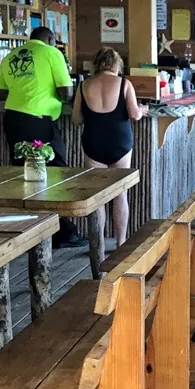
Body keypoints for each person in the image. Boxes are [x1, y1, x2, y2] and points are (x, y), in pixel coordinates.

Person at [0, 26, 83, 249]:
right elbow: (67, 92)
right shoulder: (53, 53)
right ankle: (61, 232)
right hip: (39, 122)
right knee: (56, 171)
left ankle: (30, 232)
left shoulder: (11, 55)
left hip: (13, 120)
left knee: (22, 175)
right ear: (51, 39)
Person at [72, 47, 147, 247]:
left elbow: (76, 118)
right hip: (119, 143)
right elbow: (134, 114)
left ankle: (99, 245)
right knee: (119, 194)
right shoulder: (124, 84)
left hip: (93, 143)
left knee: (97, 197)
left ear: (97, 64)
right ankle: (121, 243)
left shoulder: (84, 85)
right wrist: (143, 109)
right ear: (117, 64)